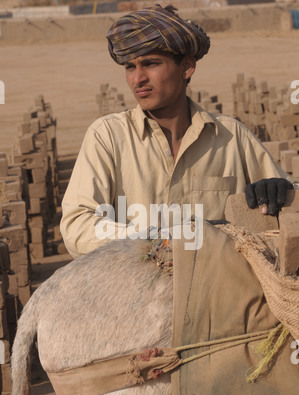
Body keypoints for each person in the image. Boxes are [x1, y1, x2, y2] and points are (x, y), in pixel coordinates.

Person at [60, 4, 292, 259]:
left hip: (217, 295)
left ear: (187, 67)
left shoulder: (232, 137)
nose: (138, 79)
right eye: (130, 67)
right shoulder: (107, 137)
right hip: (134, 293)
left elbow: (288, 217)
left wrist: (282, 193)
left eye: (150, 64)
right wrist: (155, 240)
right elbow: (77, 228)